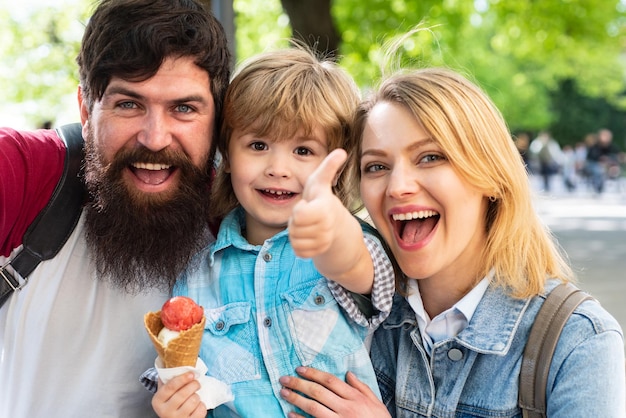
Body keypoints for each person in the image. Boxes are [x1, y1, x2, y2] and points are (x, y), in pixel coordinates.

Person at [278, 67, 625, 417]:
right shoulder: (347, 312)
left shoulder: (579, 341)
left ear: (490, 175)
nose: (398, 187)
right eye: (377, 167)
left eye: (430, 157)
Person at [0, 0, 230, 416]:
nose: (156, 138)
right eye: (129, 104)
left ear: (218, 121)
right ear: (87, 110)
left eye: (184, 108)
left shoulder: (241, 215)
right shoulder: (31, 175)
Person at [149, 47, 395, 417]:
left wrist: (332, 226)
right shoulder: (196, 278)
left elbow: (354, 264)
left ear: (336, 164)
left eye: (303, 150)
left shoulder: (348, 245)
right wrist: (176, 407)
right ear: (227, 156)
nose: (278, 168)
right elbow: (191, 380)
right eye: (258, 145)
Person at [586, 128, 621, 194]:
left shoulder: (612, 147)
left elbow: (618, 155)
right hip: (594, 165)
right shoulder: (595, 147)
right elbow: (591, 158)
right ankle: (598, 187)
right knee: (598, 170)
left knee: (614, 169)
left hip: (608, 166)